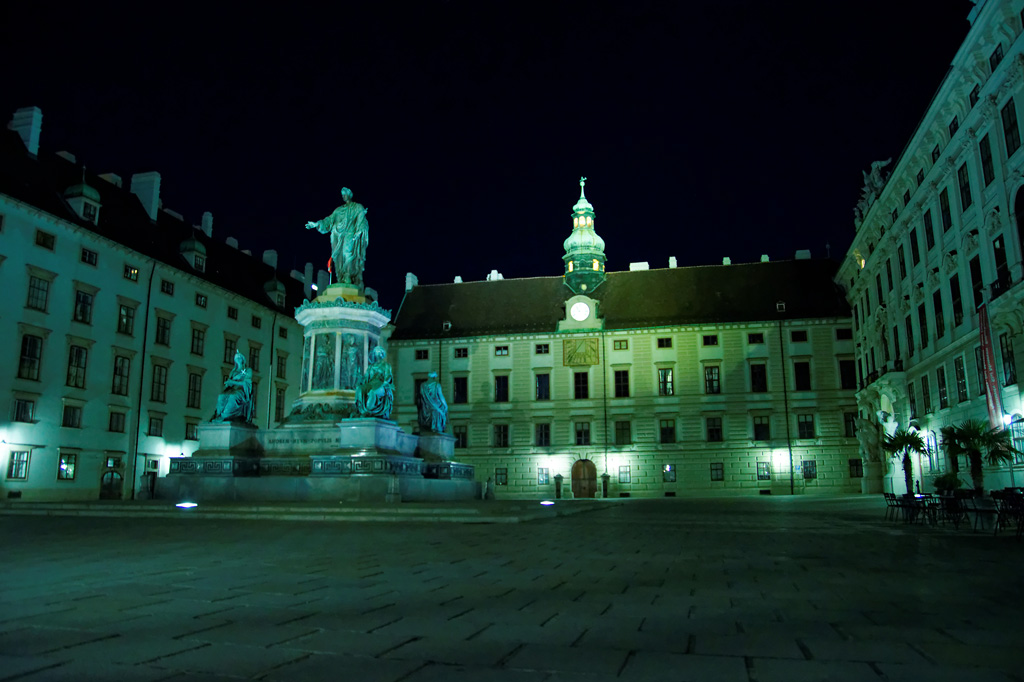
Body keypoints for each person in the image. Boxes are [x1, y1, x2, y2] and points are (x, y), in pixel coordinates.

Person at [305, 187, 369, 287]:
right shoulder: (338, 210)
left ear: (350, 194)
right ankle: (341, 277)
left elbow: (362, 222)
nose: (343, 196)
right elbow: (329, 220)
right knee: (339, 258)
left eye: (345, 194)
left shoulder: (358, 207)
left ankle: (348, 275)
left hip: (351, 235)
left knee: (348, 253)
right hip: (337, 237)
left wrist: (359, 232)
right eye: (342, 195)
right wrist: (317, 224)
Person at [212, 351, 254, 423]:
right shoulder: (233, 372)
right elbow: (229, 382)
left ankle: (225, 415)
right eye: (236, 358)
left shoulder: (248, 370)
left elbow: (246, 383)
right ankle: (219, 415)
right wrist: (228, 384)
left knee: (233, 397)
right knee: (221, 397)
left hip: (241, 390)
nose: (238, 359)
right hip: (231, 389)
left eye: (239, 358)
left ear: (243, 359)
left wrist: (233, 382)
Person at [356, 346, 394, 419]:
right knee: (359, 389)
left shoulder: (385, 365)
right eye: (376, 353)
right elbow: (366, 378)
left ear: (382, 354)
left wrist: (384, 383)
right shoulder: (371, 367)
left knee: (373, 392)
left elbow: (388, 376)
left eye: (379, 353)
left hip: (380, 384)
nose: (377, 355)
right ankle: (363, 411)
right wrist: (359, 379)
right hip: (370, 384)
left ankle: (369, 411)